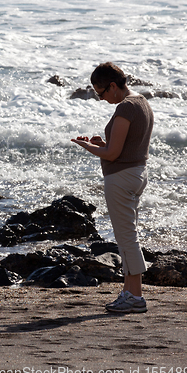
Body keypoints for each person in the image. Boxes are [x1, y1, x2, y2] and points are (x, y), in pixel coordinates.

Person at [71, 62, 154, 313]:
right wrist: (102, 144)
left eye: (101, 92)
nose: (100, 97)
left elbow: (112, 154)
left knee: (126, 238)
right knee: (129, 235)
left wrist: (88, 147)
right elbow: (124, 146)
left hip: (121, 177)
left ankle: (136, 296)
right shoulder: (141, 102)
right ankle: (130, 292)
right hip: (137, 173)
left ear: (114, 86)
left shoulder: (125, 108)